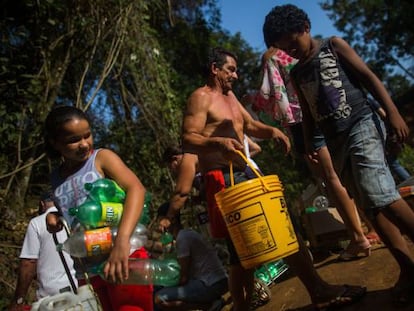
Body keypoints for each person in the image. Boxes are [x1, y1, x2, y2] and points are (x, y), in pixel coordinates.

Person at [181, 47, 366, 311]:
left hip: (245, 172)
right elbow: (188, 138)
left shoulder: (230, 96)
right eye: (230, 69)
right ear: (215, 69)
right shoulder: (200, 97)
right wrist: (217, 143)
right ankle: (316, 291)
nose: (235, 74)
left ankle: (315, 290)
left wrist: (273, 131)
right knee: (246, 250)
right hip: (222, 180)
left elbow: (250, 126)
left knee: (277, 232)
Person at [263, 4, 414, 306]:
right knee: (370, 207)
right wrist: (308, 146)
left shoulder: (333, 46)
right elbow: (306, 113)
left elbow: (369, 78)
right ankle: (409, 270)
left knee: (379, 194)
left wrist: (393, 113)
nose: (291, 50)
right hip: (336, 141)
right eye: (284, 48)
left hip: (362, 125)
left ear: (305, 27)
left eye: (293, 42)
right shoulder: (296, 72)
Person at [253, 46, 372, 261]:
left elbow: (271, 95)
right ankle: (372, 227)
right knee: (346, 171)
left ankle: (358, 238)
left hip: (301, 120)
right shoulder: (306, 49)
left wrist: (253, 103)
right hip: (328, 110)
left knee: (329, 177)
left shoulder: (271, 57)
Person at [43, 105, 153, 311]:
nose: (84, 144)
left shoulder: (101, 158)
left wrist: (121, 242)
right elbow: (78, 209)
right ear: (55, 143)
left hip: (123, 257)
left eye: (87, 135)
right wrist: (57, 217)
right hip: (88, 271)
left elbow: (136, 189)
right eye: (74, 140)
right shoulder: (56, 178)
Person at [8, 192, 77, 311]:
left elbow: (28, 264)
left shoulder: (37, 223)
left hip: (52, 298)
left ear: (42, 204)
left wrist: (18, 300)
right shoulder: (72, 218)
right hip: (79, 288)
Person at [154, 203, 228, 311]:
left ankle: (209, 306)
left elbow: (183, 278)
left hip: (210, 284)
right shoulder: (184, 235)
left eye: (161, 220)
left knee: (159, 298)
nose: (159, 226)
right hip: (213, 282)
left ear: (172, 219)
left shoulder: (183, 238)